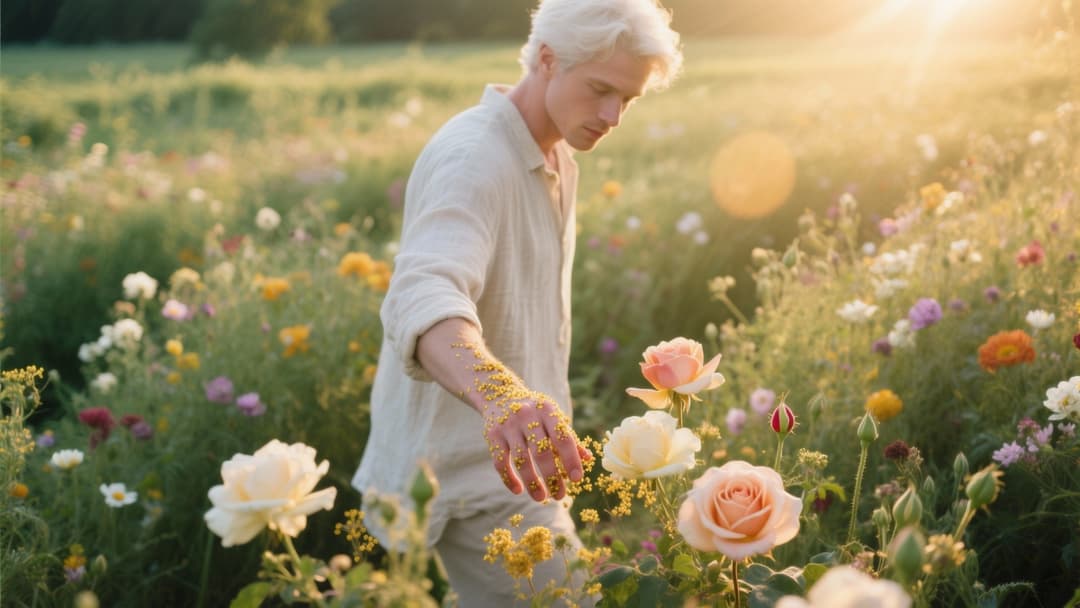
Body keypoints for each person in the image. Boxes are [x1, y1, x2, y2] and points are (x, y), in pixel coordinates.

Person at [352, 1, 682, 604]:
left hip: (518, 466)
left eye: (628, 100)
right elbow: (423, 293)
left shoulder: (556, 152)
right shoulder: (474, 157)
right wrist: (504, 396)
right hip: (469, 476)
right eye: (601, 89)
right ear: (548, 60)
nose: (612, 116)